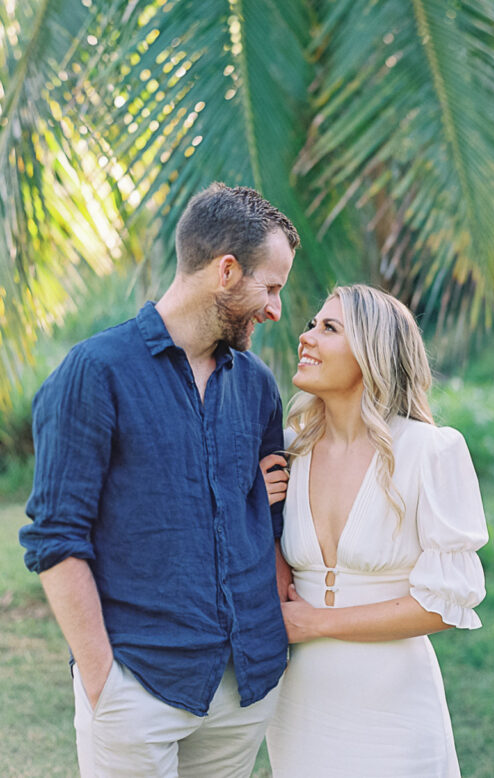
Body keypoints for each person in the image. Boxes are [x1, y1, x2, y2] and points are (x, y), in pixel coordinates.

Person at [19, 183, 300, 777]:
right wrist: (103, 685)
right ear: (227, 271)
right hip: (137, 685)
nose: (276, 309)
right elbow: (55, 540)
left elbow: (272, 524)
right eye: (270, 287)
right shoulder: (95, 372)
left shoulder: (257, 386)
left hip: (243, 689)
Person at [262, 284, 488, 777]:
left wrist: (316, 623)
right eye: (311, 324)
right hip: (299, 702)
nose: (306, 337)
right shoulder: (288, 451)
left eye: (329, 328)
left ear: (371, 354)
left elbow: (445, 603)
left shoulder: (430, 451)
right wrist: (252, 504)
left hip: (394, 707)